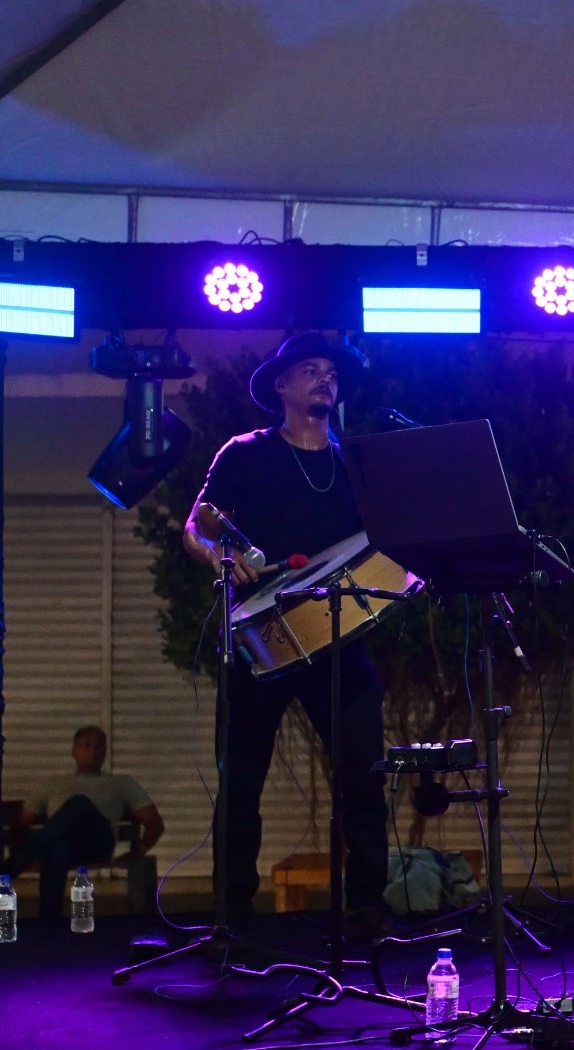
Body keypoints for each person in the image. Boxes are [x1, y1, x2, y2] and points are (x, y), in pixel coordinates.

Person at [182, 332, 392, 936]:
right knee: (241, 778)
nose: (325, 379)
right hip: (261, 640)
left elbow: (384, 544)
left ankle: (367, 910)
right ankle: (231, 914)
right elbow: (196, 527)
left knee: (363, 774)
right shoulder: (246, 454)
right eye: (310, 371)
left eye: (331, 372)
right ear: (281, 386)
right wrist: (221, 558)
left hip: (342, 633)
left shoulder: (353, 462)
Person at [10, 725, 164, 920]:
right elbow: (21, 821)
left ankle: (12, 865)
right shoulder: (53, 783)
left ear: (105, 753)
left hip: (97, 844)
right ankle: (49, 923)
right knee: (56, 850)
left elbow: (154, 823)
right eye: (87, 745)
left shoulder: (122, 782)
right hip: (62, 846)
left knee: (79, 804)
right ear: (74, 751)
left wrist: (137, 850)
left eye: (99, 747)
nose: (93, 751)